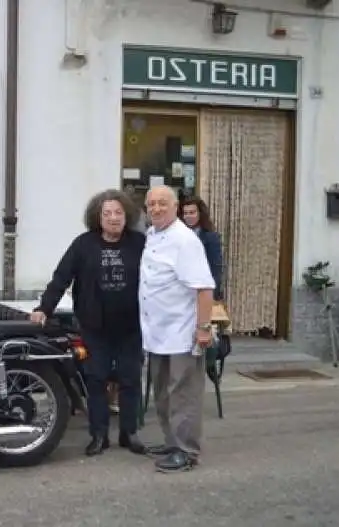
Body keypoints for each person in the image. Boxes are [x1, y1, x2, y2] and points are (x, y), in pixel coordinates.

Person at [31, 189, 147, 456]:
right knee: (96, 380)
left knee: (130, 380)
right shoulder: (84, 244)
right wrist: (44, 308)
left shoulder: (139, 243)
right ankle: (99, 435)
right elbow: (61, 277)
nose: (113, 218)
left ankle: (129, 433)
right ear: (97, 216)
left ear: (126, 215)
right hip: (95, 326)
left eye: (118, 212)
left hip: (131, 326)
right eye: (107, 213)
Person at [140, 185, 215, 473]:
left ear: (174, 207)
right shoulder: (153, 235)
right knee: (163, 393)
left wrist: (204, 328)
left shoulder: (185, 240)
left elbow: (204, 288)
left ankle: (186, 451)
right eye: (151, 204)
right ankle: (172, 441)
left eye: (162, 203)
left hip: (182, 332)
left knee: (183, 395)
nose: (156, 209)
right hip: (157, 332)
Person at [180, 196, 224, 301]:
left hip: (201, 291)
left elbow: (215, 268)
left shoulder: (211, 237)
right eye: (185, 213)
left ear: (200, 213)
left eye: (192, 212)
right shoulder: (178, 235)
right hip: (182, 291)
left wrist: (212, 296)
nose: (188, 216)